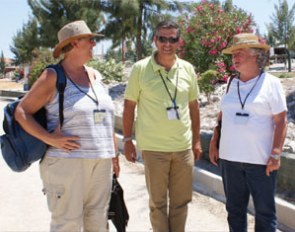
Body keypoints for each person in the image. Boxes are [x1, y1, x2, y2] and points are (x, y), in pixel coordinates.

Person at [15, 20, 120, 232]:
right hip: (66, 163)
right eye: (89, 40)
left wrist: (114, 154)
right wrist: (50, 138)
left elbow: (106, 119)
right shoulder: (53, 76)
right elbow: (21, 112)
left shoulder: (96, 76)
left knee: (98, 223)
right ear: (73, 44)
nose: (93, 44)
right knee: (68, 224)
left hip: (101, 163)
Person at [123, 20, 202, 232]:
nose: (167, 43)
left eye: (172, 39)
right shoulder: (140, 69)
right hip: (154, 148)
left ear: (179, 42)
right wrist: (127, 140)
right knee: (157, 205)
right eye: (162, 38)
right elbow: (129, 106)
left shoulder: (188, 69)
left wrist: (196, 141)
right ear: (154, 40)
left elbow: (194, 108)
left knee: (181, 202)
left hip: (183, 148)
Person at [209, 33, 288, 232]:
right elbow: (222, 116)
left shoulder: (271, 83)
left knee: (264, 214)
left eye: (240, 53)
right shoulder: (230, 83)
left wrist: (276, 154)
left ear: (255, 56)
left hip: (260, 162)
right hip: (230, 160)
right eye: (233, 54)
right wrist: (214, 141)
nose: (235, 57)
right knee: (234, 210)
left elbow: (281, 121)